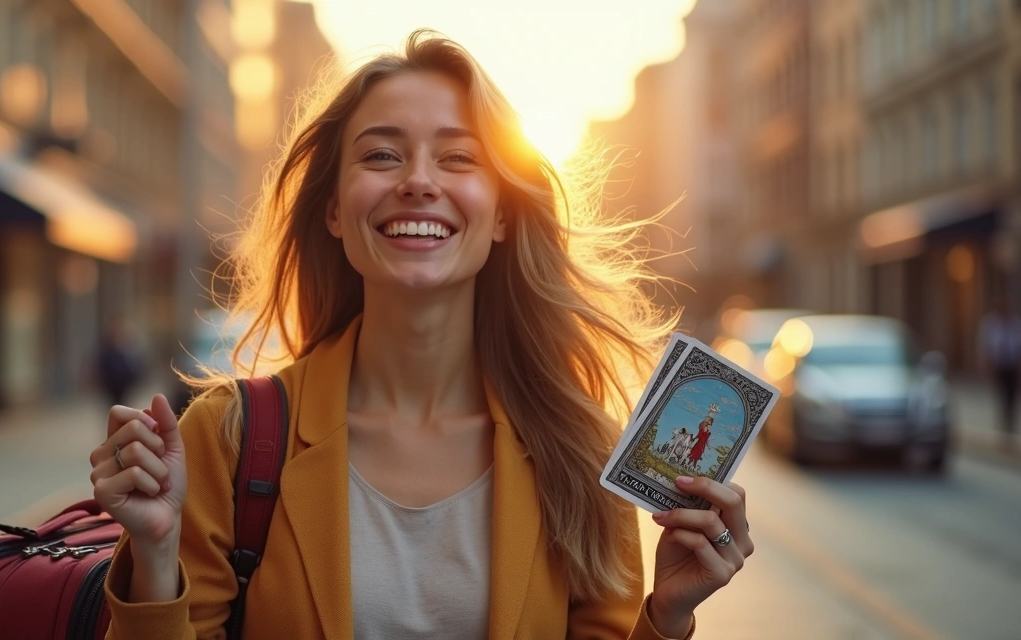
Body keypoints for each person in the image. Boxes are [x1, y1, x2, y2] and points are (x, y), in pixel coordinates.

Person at [88, 31, 753, 639]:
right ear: (334, 210)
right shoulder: (228, 437)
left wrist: (665, 615)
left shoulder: (576, 448)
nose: (418, 181)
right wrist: (152, 555)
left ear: (499, 214)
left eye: (458, 157)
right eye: (381, 154)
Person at [978, 294, 1021, 436]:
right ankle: (1003, 424)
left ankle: (1010, 423)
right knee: (1002, 395)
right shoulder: (990, 324)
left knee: (1012, 395)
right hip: (999, 366)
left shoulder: (1015, 324)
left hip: (1012, 366)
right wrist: (989, 367)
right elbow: (987, 347)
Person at [95, 319, 142, 408]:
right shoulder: (107, 351)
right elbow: (102, 368)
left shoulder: (126, 350)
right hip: (112, 388)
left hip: (124, 388)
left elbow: (134, 367)